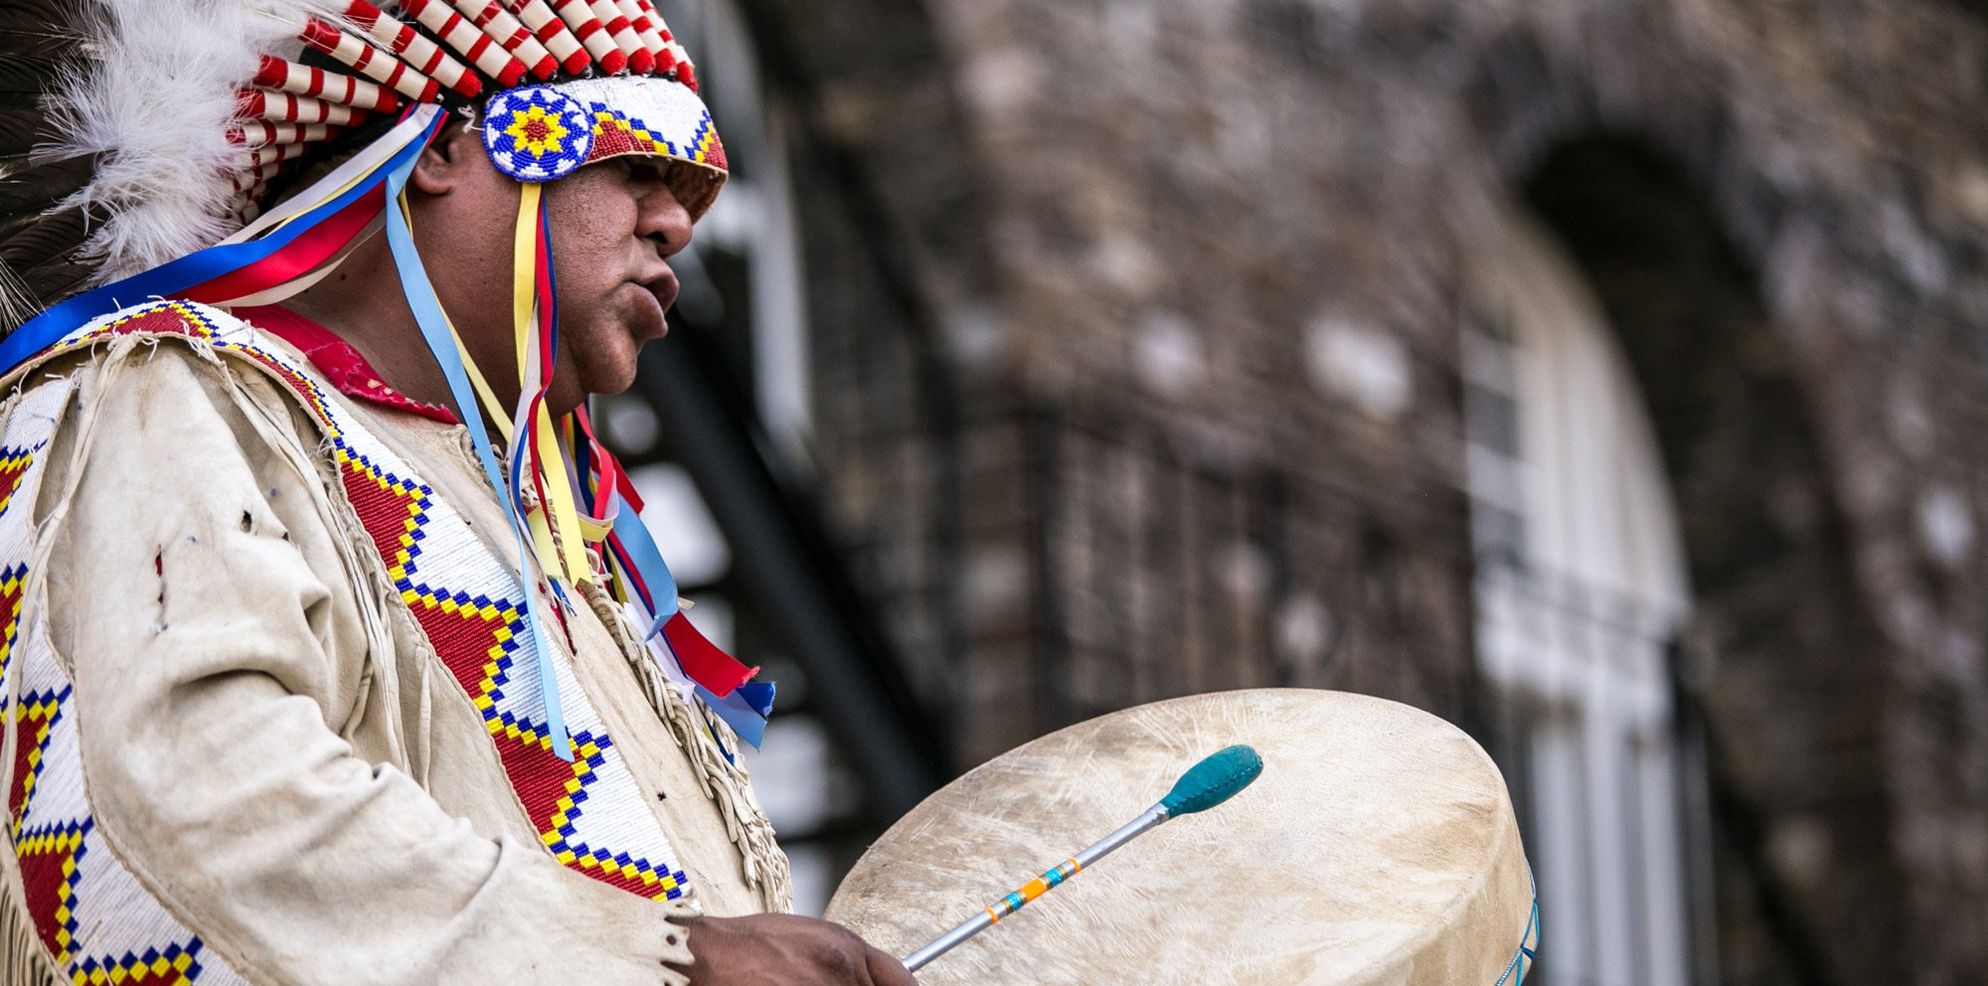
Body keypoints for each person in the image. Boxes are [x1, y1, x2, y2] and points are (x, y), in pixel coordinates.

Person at [0, 1, 914, 984]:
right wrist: (663, 960)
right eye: (637, 163)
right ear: (438, 146)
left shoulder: (568, 552)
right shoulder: (158, 396)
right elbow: (191, 798)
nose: (676, 223)